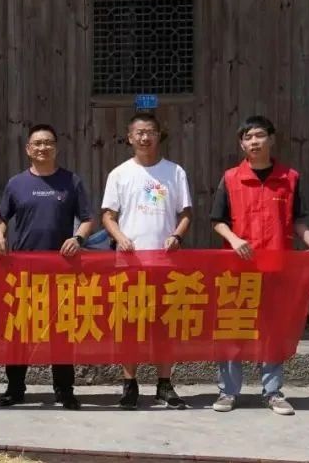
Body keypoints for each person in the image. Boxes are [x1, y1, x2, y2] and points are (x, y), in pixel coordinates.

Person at [210, 115, 309, 416]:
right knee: (233, 328)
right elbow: (217, 221)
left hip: (277, 266)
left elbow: (298, 222)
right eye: (248, 137)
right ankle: (227, 391)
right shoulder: (230, 178)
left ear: (271, 139)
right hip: (238, 267)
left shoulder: (290, 178)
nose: (254, 142)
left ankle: (273, 392)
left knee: (273, 329)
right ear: (241, 144)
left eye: (259, 135)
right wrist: (234, 239)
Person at [0, 124, 95, 411]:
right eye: (37, 143)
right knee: (19, 332)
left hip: (62, 270)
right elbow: (1, 218)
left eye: (48, 143)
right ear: (28, 149)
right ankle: (15, 389)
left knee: (61, 332)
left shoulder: (71, 181)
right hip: (23, 271)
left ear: (56, 147)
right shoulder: (16, 184)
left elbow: (88, 219)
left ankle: (64, 390)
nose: (42, 148)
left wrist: (78, 238)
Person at [100, 112, 191, 410]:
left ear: (158, 135)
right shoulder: (119, 174)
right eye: (138, 132)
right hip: (129, 263)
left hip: (165, 262)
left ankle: (165, 385)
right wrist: (120, 237)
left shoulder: (174, 172)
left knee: (164, 325)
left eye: (150, 131)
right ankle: (130, 384)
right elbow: (108, 216)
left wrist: (176, 236)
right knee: (129, 325)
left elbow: (185, 213)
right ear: (129, 137)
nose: (144, 137)